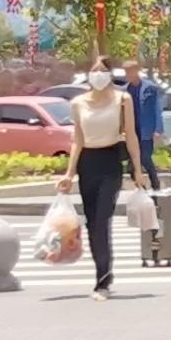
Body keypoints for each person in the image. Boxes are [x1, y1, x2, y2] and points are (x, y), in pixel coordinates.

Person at [62, 63, 138, 297]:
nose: (98, 75)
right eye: (94, 70)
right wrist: (69, 173)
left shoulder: (122, 99)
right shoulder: (78, 103)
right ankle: (103, 270)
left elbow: (131, 135)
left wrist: (138, 169)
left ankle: (102, 280)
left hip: (110, 161)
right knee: (92, 222)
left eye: (102, 70)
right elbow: (78, 140)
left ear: (109, 74)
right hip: (88, 162)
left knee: (103, 218)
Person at [126, 61, 167, 190]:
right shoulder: (125, 90)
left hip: (146, 130)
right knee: (131, 164)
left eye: (131, 71)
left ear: (137, 70)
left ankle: (155, 184)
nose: (128, 74)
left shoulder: (150, 88)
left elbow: (157, 109)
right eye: (126, 72)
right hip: (131, 130)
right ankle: (141, 188)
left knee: (145, 158)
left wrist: (158, 129)